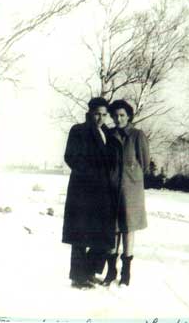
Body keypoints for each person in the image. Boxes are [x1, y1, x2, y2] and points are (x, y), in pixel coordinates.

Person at [62, 97, 117, 289]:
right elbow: (70, 156)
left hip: (103, 192)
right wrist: (89, 173)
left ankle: (89, 272)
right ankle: (78, 277)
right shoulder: (79, 130)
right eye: (97, 114)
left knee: (102, 234)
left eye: (104, 115)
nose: (100, 118)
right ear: (90, 112)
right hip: (83, 190)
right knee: (80, 234)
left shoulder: (108, 133)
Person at [102, 99, 150, 287]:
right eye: (115, 115)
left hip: (131, 190)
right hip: (111, 189)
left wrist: (132, 176)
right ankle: (111, 272)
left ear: (128, 116)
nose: (118, 118)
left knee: (128, 229)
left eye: (122, 115)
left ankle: (126, 273)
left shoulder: (137, 135)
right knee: (112, 230)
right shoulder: (109, 135)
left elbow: (145, 163)